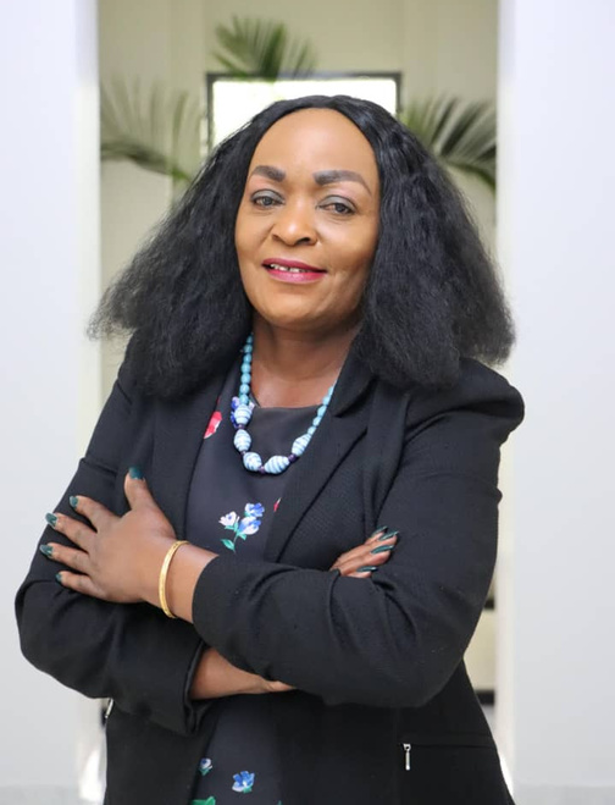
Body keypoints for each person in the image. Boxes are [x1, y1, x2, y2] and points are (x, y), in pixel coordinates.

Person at [16, 95, 523, 805]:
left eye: (337, 206)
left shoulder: (449, 405)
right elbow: (51, 614)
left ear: (393, 238)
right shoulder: (163, 375)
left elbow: (402, 645)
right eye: (265, 198)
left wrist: (160, 570)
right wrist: (249, 662)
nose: (291, 228)